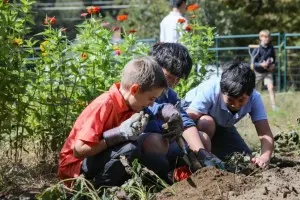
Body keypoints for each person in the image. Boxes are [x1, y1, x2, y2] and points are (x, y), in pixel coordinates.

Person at [58, 56, 169, 187]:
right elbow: (79, 150)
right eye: (151, 99)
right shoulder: (104, 104)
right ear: (134, 90)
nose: (151, 104)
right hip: (76, 169)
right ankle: (95, 190)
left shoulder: (133, 103)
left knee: (160, 163)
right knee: (129, 149)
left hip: (104, 159)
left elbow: (155, 113)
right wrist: (117, 134)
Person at [140, 43, 224, 178]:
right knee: (158, 142)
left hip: (168, 143)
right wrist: (166, 112)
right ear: (155, 67)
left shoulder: (170, 95)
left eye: (177, 79)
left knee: (203, 139)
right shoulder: (141, 89)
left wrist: (201, 152)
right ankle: (159, 178)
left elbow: (185, 121)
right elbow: (148, 108)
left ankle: (198, 175)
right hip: (145, 144)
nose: (172, 82)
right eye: (169, 76)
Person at [183, 61, 274, 169]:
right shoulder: (210, 90)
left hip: (222, 126)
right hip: (197, 125)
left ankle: (213, 154)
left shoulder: (254, 97)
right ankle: (204, 161)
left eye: (241, 100)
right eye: (230, 99)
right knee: (207, 122)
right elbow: (186, 119)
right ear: (222, 91)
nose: (235, 105)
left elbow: (265, 133)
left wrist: (264, 157)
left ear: (250, 93)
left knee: (246, 160)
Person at [252, 29, 278, 111]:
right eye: (265, 37)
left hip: (267, 72)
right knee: (253, 90)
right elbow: (252, 63)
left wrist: (273, 65)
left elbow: (274, 58)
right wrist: (261, 64)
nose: (267, 38)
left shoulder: (271, 47)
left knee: (271, 87)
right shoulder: (257, 48)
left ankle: (274, 106)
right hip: (258, 72)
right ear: (261, 38)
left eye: (268, 37)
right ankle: (251, 106)